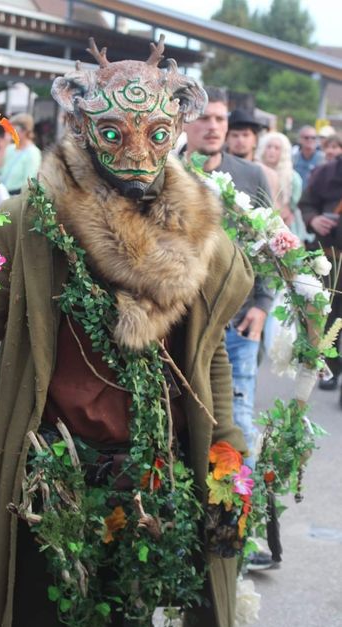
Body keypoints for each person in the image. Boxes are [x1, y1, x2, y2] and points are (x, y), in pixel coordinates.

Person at [0, 44, 253, 627]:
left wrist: (227, 459)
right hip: (49, 475)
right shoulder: (30, 221)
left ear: (180, 124)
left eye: (157, 132)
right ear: (80, 121)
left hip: (150, 481)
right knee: (38, 615)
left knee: (127, 621)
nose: (138, 151)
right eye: (114, 134)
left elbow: (207, 357)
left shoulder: (201, 240)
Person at [182, 88, 275, 572]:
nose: (215, 127)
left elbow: (271, 246)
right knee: (185, 422)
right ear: (184, 125)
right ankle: (186, 521)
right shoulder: (167, 171)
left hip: (238, 326)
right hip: (183, 326)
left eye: (220, 119)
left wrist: (261, 305)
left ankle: (239, 526)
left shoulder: (252, 175)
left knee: (236, 420)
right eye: (204, 119)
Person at [299, 154, 342, 405]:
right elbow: (307, 203)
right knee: (326, 318)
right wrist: (314, 219)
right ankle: (329, 370)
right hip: (327, 261)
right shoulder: (325, 172)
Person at [256, 131, 311, 242]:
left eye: (277, 148)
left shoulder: (292, 177)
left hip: (286, 224)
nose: (272, 151)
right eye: (269, 147)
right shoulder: (254, 170)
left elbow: (290, 207)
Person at [226, 108, 280, 207]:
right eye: (235, 135)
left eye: (246, 135)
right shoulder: (217, 169)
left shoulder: (268, 175)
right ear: (226, 139)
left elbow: (271, 213)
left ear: (255, 140)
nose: (240, 140)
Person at [0, 113, 41, 195]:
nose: (11, 132)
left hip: (16, 198)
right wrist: (4, 146)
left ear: (25, 131)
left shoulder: (33, 153)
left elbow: (29, 183)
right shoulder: (10, 148)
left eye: (14, 129)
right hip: (3, 195)